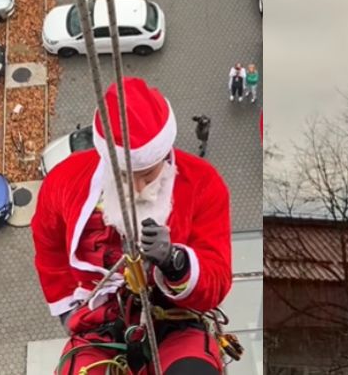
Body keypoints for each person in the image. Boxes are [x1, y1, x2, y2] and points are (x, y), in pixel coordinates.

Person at [33, 77, 232, 375]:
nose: (137, 187)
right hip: (97, 323)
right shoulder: (63, 183)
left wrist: (175, 262)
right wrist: (67, 309)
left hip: (175, 320)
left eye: (148, 175)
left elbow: (216, 276)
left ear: (165, 156)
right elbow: (49, 247)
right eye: (125, 175)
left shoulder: (203, 183)